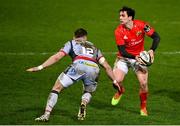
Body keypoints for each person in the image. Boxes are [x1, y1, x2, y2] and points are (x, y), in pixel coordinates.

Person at [26, 28, 120, 121]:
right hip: (94, 68)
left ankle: (46, 114)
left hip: (79, 65)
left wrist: (40, 67)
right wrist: (115, 80)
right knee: (88, 91)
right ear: (85, 37)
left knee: (56, 88)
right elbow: (107, 66)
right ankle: (83, 103)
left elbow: (57, 57)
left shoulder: (71, 43)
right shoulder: (95, 48)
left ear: (74, 36)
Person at [111, 6, 160, 116]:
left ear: (130, 17)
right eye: (120, 15)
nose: (120, 18)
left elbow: (156, 37)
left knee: (143, 83)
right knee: (116, 81)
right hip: (124, 58)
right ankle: (120, 91)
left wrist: (152, 50)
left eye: (123, 15)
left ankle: (143, 107)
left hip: (139, 59)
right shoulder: (118, 31)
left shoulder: (142, 25)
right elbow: (122, 51)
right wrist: (136, 57)